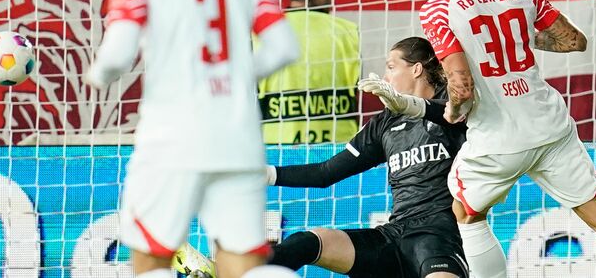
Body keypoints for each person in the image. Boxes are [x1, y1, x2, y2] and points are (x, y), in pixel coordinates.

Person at [371, 0, 596, 277]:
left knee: (466, 214)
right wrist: (520, 39)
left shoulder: (439, 6)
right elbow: (575, 41)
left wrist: (453, 111)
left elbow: (462, 85)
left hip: (499, 138)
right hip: (551, 126)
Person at [176, 37, 508, 278]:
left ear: (417, 69)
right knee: (311, 241)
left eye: (392, 67)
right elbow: (325, 173)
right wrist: (264, 174)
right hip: (393, 237)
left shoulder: (454, 113)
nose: (386, 75)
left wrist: (412, 105)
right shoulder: (384, 124)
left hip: (439, 239)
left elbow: (453, 111)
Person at [84, 0, 299, 277]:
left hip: (171, 140)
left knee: (151, 259)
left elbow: (118, 54)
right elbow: (284, 48)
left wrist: (96, 74)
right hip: (239, 142)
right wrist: (234, 77)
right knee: (243, 265)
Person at [258, 0, 361, 144]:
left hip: (277, 149)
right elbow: (356, 89)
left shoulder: (269, 32)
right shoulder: (347, 31)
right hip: (337, 150)